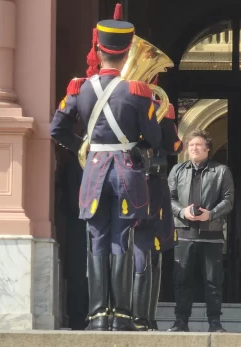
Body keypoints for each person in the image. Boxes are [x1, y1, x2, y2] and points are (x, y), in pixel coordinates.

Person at [50, 3, 162, 331]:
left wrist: (82, 148)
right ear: (128, 53)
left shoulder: (78, 89)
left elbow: (56, 129)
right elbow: (154, 136)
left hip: (95, 169)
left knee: (95, 238)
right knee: (121, 238)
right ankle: (123, 315)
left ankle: (98, 315)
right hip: (127, 171)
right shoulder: (138, 91)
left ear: (98, 49)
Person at [167, 129, 234, 333]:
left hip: (211, 235)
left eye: (198, 145)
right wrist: (182, 211)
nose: (194, 148)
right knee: (182, 279)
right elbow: (168, 198)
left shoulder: (221, 171)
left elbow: (229, 199)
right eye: (191, 145)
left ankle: (214, 322)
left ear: (207, 149)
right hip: (184, 234)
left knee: (213, 281)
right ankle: (181, 321)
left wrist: (211, 214)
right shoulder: (177, 170)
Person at [132, 87, 183, 331]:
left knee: (149, 252)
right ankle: (142, 317)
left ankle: (142, 317)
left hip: (136, 183)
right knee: (150, 252)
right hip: (150, 186)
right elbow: (174, 145)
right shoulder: (158, 107)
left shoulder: (123, 102)